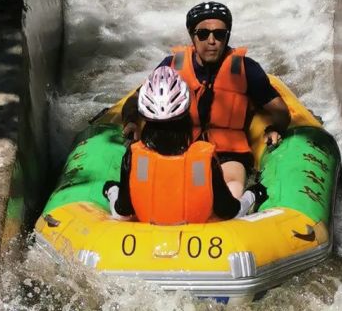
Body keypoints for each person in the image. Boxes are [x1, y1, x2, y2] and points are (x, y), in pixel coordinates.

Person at [122, 1, 291, 199]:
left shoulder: (247, 69)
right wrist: (131, 121)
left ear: (227, 36)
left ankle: (235, 210)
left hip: (228, 153)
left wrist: (275, 129)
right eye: (203, 34)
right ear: (192, 36)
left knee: (232, 187)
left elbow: (280, 111)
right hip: (180, 146)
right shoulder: (171, 67)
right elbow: (136, 99)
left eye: (219, 34)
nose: (212, 41)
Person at [104, 66, 266, 224]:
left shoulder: (133, 157)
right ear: (186, 115)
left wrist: (111, 190)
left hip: (146, 239)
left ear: (146, 119)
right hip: (199, 237)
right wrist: (253, 194)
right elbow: (229, 212)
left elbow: (122, 211)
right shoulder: (204, 160)